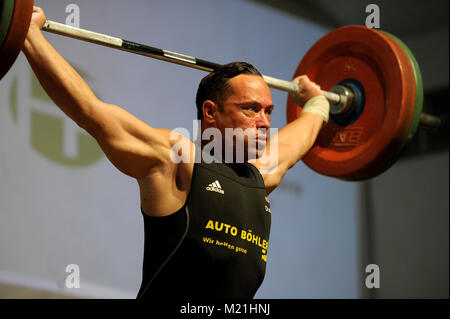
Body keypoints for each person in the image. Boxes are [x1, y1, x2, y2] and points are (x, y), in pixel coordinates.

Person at [23, 7, 329, 299]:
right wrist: (29, 35)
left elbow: (295, 142)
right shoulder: (178, 160)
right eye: (251, 109)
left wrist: (317, 104)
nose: (264, 122)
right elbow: (93, 113)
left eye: (269, 111)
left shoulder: (260, 176)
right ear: (211, 112)